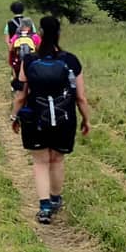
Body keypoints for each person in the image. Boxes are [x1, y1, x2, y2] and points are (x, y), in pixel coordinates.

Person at [11, 15, 91, 224]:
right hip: (65, 119)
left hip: (35, 119)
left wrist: (14, 116)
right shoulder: (71, 60)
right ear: (58, 33)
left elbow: (21, 94)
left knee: (40, 161)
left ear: (41, 35)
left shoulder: (29, 60)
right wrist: (86, 119)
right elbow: (81, 97)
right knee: (57, 160)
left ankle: (44, 206)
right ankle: (55, 199)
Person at [4, 0, 38, 84]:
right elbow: (34, 35)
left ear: (12, 10)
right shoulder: (29, 22)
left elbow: (6, 37)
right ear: (23, 9)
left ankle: (15, 82)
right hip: (30, 49)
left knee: (14, 65)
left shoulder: (9, 23)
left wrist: (10, 47)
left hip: (16, 48)